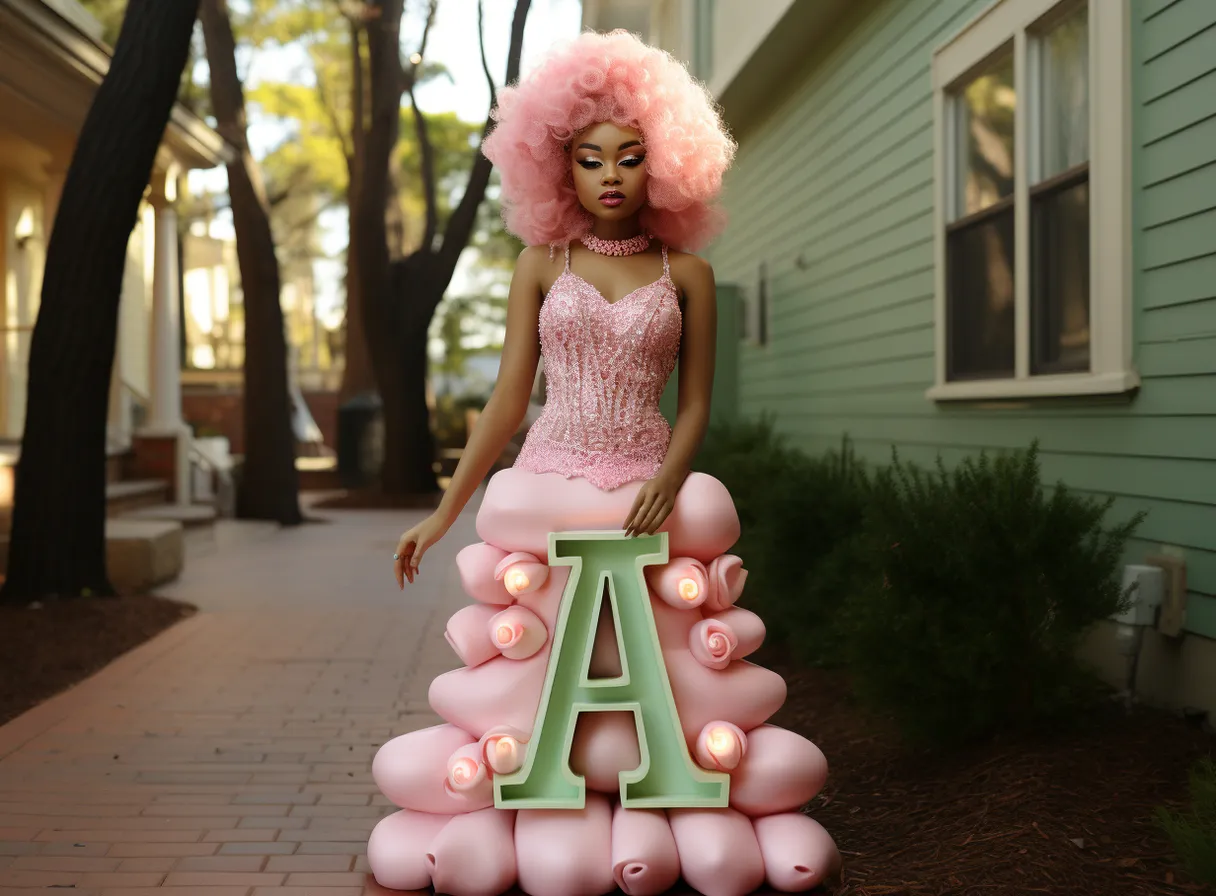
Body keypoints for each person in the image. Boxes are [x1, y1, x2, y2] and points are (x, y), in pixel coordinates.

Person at [370, 29, 838, 896]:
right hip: (548, 483)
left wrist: (670, 476)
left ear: (662, 165)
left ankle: (666, 798)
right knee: (535, 659)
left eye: (630, 156)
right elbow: (510, 401)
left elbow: (696, 403)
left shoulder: (688, 273)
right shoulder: (540, 264)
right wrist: (443, 513)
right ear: (561, 170)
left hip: (644, 486)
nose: (611, 174)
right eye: (591, 159)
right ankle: (534, 802)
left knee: (662, 662)